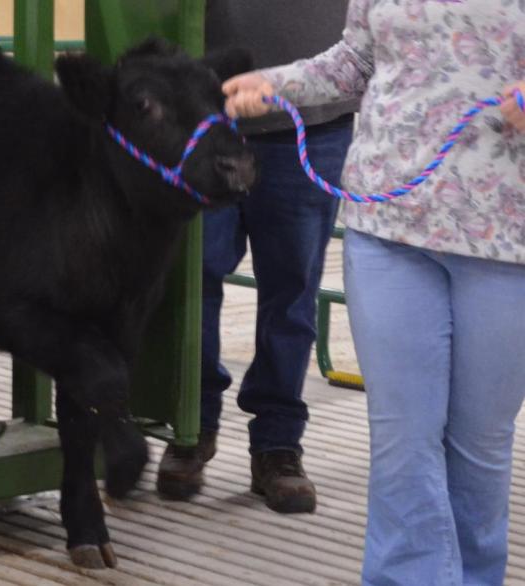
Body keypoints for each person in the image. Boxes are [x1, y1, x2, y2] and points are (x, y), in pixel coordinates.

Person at [225, 0, 525, 583]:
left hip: (507, 243)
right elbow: (354, 61)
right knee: (403, 444)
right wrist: (275, 82)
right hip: (387, 228)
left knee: (478, 448)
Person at [157, 0, 357, 515]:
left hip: (311, 124)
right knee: (195, 276)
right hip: (202, 122)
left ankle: (277, 444)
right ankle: (191, 423)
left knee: (291, 290)